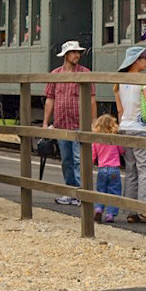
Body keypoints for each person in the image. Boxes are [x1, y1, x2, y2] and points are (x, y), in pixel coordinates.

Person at [42, 40, 96, 206]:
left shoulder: (85, 73)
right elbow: (50, 99)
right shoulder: (55, 74)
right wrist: (45, 123)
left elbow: (92, 99)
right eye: (73, 52)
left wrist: (93, 122)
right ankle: (70, 190)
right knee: (66, 160)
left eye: (78, 52)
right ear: (66, 55)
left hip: (79, 123)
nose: (77, 55)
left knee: (80, 159)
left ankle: (81, 192)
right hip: (61, 123)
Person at [115, 45, 146, 225]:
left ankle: (131, 211)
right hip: (142, 130)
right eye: (144, 58)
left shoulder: (119, 83)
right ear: (135, 60)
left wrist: (122, 126)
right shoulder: (144, 80)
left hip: (125, 127)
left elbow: (119, 109)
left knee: (131, 171)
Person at [92, 114, 123, 223]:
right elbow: (121, 151)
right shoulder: (114, 138)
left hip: (101, 169)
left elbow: (93, 155)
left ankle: (99, 208)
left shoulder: (96, 140)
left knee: (101, 190)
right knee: (114, 192)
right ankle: (110, 214)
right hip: (114, 169)